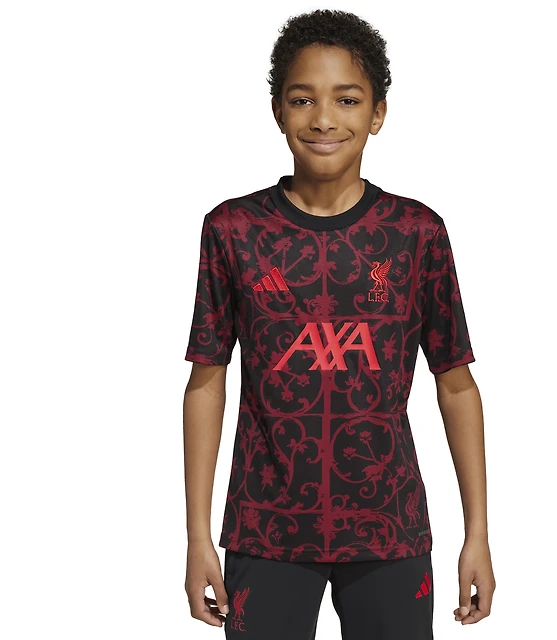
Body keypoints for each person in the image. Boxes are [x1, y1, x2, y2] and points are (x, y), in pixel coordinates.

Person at [183, 9, 495, 639]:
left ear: (378, 113)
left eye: (347, 100)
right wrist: (196, 538)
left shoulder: (416, 232)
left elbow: (456, 383)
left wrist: (478, 535)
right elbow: (206, 381)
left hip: (390, 527)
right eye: (303, 99)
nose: (324, 119)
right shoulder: (233, 230)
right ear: (278, 111)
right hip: (265, 528)